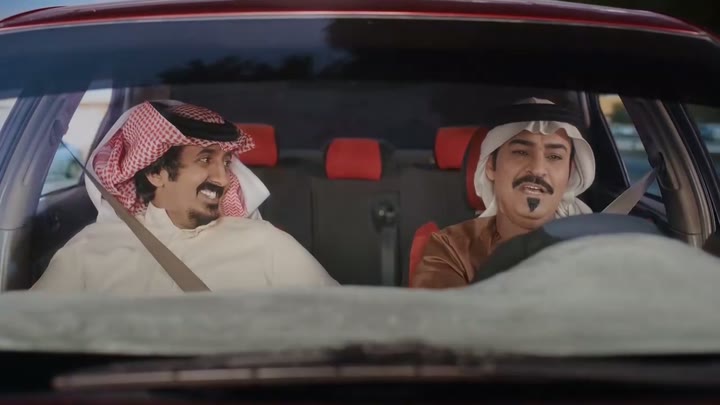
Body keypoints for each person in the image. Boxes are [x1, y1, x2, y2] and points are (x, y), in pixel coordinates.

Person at [32, 100, 338, 294]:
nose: (223, 178)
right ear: (156, 172)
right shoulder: (90, 250)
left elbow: (338, 323)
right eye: (205, 160)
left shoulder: (267, 244)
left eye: (226, 163)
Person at [411, 98, 596, 289]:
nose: (538, 169)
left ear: (569, 174)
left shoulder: (597, 244)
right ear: (491, 166)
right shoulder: (452, 248)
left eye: (554, 156)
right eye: (521, 152)